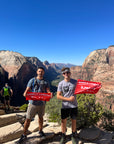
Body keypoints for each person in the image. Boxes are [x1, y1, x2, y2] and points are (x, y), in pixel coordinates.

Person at [18, 66, 53, 143]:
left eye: (42, 71)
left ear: (43, 72)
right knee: (28, 119)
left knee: (41, 118)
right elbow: (27, 90)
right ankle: (24, 134)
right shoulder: (32, 80)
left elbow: (48, 91)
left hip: (42, 103)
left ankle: (40, 131)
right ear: (37, 72)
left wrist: (50, 94)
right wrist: (25, 93)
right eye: (39, 71)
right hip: (32, 103)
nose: (40, 72)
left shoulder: (46, 81)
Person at [57, 67, 78, 144]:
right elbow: (58, 96)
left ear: (70, 73)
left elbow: (82, 87)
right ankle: (63, 135)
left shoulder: (75, 82)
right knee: (63, 121)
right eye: (64, 73)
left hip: (74, 105)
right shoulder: (61, 84)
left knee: (74, 120)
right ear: (63, 74)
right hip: (65, 106)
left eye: (67, 72)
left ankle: (73, 135)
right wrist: (68, 99)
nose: (66, 74)